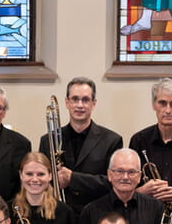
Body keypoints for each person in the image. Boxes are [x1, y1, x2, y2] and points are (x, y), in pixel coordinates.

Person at [38, 77, 122, 213]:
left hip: (97, 215)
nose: (80, 105)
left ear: (93, 103)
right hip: (58, 215)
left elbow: (114, 182)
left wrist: (73, 179)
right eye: (75, 99)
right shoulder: (48, 140)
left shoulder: (112, 140)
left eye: (85, 100)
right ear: (67, 102)